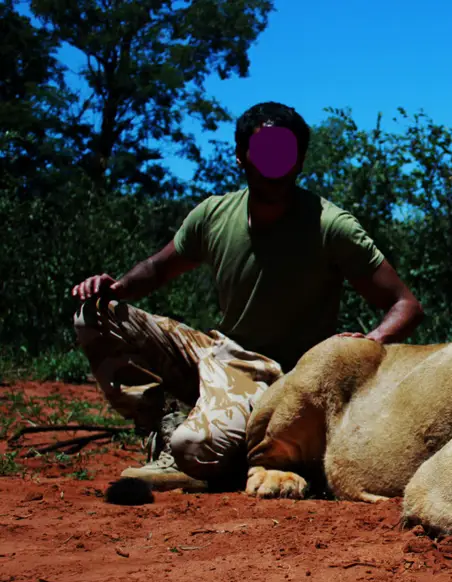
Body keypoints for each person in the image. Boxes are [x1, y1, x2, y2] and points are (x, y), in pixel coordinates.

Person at [71, 102, 423, 492]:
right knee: (95, 315)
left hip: (279, 376)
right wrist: (114, 288)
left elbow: (405, 305)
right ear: (240, 156)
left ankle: (217, 443)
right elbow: (157, 268)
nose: (276, 167)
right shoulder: (213, 214)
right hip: (218, 350)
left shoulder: (330, 226)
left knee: (196, 449)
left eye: (285, 155)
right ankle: (164, 430)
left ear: (300, 162)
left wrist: (370, 343)